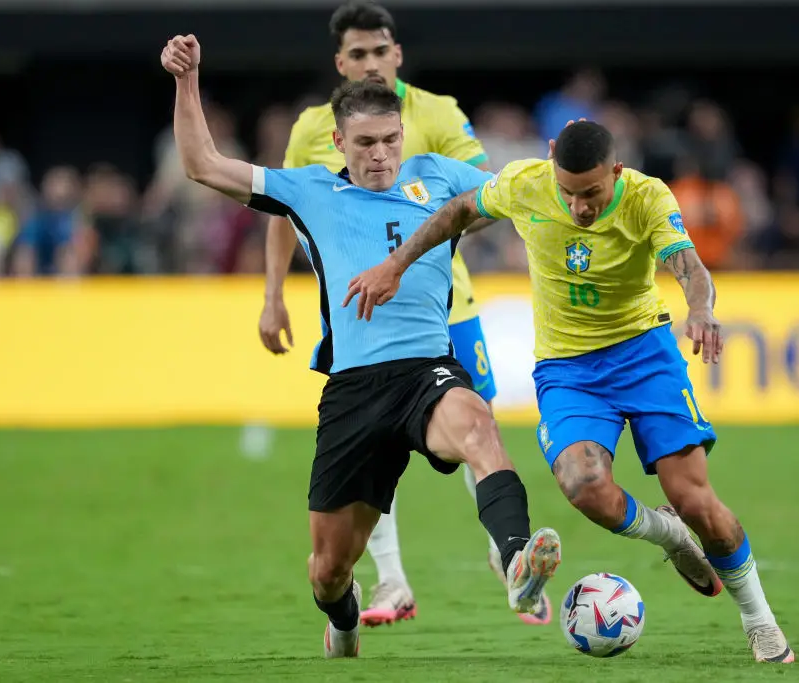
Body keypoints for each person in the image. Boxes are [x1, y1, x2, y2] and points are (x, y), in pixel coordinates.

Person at [160, 33, 561, 659]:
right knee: (327, 569)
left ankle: (516, 566)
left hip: (428, 371)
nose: (381, 155)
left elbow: (518, 191)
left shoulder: (439, 178)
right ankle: (342, 621)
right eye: (367, 143)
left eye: (391, 140)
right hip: (353, 391)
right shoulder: (311, 191)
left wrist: (557, 167)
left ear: (404, 134)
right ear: (341, 143)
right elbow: (202, 164)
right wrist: (187, 82)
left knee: (480, 424)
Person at [345, 121, 795, 664]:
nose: (579, 206)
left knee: (696, 500)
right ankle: (670, 538)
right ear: (552, 164)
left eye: (591, 194)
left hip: (644, 355)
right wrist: (396, 263)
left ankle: (759, 618)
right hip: (568, 370)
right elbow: (460, 210)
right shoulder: (526, 183)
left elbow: (690, 267)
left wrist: (700, 310)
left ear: (617, 173)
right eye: (569, 192)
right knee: (584, 488)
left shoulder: (647, 196)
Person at [255, 0, 538, 627]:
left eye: (380, 51)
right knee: (375, 446)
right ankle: (391, 580)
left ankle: (507, 553)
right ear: (340, 62)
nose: (371, 63)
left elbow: (483, 189)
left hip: (446, 303)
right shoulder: (311, 127)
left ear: (397, 53)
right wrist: (274, 291)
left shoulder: (436, 113)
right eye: (357, 54)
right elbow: (287, 205)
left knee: (476, 423)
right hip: (362, 305)